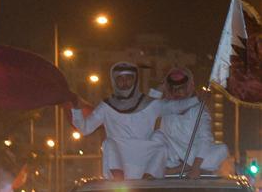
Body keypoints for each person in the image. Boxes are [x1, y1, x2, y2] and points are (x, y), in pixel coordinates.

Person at [72, 62, 200, 180]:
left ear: (135, 80)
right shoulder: (106, 106)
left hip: (144, 157)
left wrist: (198, 100)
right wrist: (77, 110)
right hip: (119, 158)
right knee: (109, 144)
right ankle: (119, 183)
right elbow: (85, 129)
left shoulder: (149, 104)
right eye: (120, 78)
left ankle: (148, 180)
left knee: (160, 144)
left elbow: (175, 107)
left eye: (128, 78)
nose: (125, 82)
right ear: (114, 81)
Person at [149, 68, 228, 178]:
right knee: (156, 137)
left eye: (181, 88)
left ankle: (185, 167)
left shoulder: (199, 109)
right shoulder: (165, 107)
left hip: (194, 157)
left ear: (189, 87)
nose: (177, 92)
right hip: (171, 159)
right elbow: (148, 106)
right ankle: (179, 168)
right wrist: (163, 85)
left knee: (221, 150)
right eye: (173, 89)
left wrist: (195, 168)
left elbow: (205, 139)